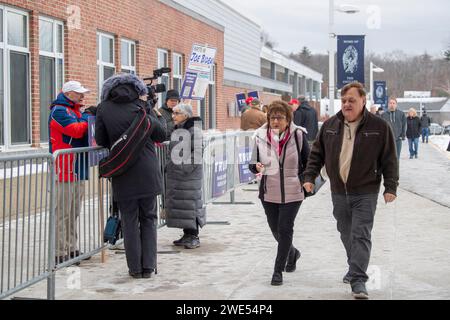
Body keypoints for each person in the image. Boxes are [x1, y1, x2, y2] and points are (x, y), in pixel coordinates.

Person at [303, 82, 398, 300]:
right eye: (344, 100)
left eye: (352, 100)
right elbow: (316, 154)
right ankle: (354, 265)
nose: (347, 104)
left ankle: (358, 280)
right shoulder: (329, 125)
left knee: (360, 234)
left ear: (363, 101)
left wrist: (390, 186)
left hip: (366, 191)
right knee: (346, 233)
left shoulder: (379, 127)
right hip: (338, 191)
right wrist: (309, 177)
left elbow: (389, 159)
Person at [95, 73, 167, 279]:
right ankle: (148, 267)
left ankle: (134, 268)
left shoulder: (104, 108)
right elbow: (161, 135)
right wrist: (153, 111)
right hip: (147, 171)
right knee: (149, 218)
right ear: (137, 89)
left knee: (129, 220)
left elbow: (100, 138)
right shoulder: (142, 108)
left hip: (122, 170)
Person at [249, 100, 310, 286]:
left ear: (288, 119)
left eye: (280, 117)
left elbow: (309, 162)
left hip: (293, 191)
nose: (275, 121)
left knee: (285, 228)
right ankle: (292, 253)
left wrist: (306, 181)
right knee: (275, 230)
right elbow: (252, 163)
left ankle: (277, 271)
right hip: (269, 192)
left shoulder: (298, 135)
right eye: (272, 117)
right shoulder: (260, 136)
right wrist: (256, 166)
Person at [49, 81, 91, 265]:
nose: (82, 96)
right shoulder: (59, 111)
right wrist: (87, 119)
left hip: (77, 168)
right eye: (79, 93)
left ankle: (72, 247)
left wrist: (84, 117)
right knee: (62, 213)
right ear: (69, 93)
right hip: (64, 168)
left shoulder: (75, 111)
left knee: (73, 212)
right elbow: (74, 130)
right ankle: (59, 251)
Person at [165, 104, 206, 249]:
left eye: (177, 113)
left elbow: (198, 152)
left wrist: (185, 168)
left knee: (191, 204)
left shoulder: (194, 130)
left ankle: (194, 235)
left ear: (185, 115)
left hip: (188, 175)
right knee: (183, 205)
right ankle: (187, 234)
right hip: (178, 175)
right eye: (173, 113)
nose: (173, 116)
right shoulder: (178, 129)